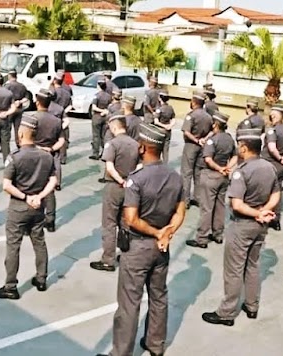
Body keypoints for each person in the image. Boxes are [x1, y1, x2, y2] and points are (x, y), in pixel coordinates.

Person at [97, 123, 186, 356]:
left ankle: (121, 352)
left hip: (138, 246)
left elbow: (131, 218)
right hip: (162, 247)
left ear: (144, 148)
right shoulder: (174, 176)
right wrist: (168, 232)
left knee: (129, 302)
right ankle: (156, 345)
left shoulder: (137, 179)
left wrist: (158, 233)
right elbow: (180, 211)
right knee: (159, 296)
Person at [201, 128, 280, 327]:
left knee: (234, 270)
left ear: (244, 148)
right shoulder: (269, 167)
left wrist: (256, 213)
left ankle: (226, 312)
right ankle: (252, 305)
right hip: (260, 226)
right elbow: (276, 195)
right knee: (253, 265)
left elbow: (237, 204)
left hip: (243, 224)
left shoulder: (242, 172)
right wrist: (264, 211)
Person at [0, 115, 58, 300]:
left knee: (13, 246)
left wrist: (26, 197)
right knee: (39, 242)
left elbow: (6, 185)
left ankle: (10, 285)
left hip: (19, 206)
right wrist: (40, 196)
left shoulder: (15, 157)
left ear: (20, 133)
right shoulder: (46, 156)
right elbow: (53, 180)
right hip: (38, 207)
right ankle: (41, 278)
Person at [90, 114, 139, 272]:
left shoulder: (112, 144)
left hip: (115, 186)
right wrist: (129, 181)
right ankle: (127, 254)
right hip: (131, 187)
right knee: (126, 222)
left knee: (109, 223)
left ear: (114, 127)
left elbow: (110, 167)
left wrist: (120, 181)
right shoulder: (135, 144)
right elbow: (140, 166)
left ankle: (108, 260)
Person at [186, 112, 237, 248]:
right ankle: (218, 234)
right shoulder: (229, 138)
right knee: (220, 206)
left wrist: (219, 168)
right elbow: (235, 156)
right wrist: (226, 167)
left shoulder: (212, 140)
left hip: (211, 175)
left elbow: (208, 159)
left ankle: (201, 238)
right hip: (223, 177)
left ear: (215, 124)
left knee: (206, 208)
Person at [33, 89, 66, 232]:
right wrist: (51, 149)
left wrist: (37, 147)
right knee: (49, 188)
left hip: (34, 155)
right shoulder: (56, 121)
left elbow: (23, 139)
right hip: (49, 155)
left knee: (32, 185)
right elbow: (62, 140)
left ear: (38, 102)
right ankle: (50, 220)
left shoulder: (32, 118)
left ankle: (34, 218)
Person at [260, 103, 283, 231]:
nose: (271, 116)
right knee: (277, 192)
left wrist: (279, 157)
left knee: (264, 193)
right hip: (281, 167)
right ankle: (276, 220)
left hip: (269, 164)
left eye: (274, 114)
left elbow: (272, 148)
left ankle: (264, 216)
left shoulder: (272, 130)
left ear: (280, 115)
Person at [181, 91, 213, 208]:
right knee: (198, 173)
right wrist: (204, 139)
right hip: (202, 147)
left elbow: (186, 131)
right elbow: (212, 131)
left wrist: (196, 140)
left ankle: (186, 200)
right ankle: (198, 198)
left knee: (186, 172)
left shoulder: (191, 115)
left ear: (194, 102)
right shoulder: (208, 117)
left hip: (191, 145)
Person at [51, 72, 73, 165]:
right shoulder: (67, 92)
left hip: (53, 116)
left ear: (55, 80)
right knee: (63, 137)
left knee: (52, 137)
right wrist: (64, 111)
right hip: (63, 116)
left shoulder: (52, 92)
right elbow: (71, 105)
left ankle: (53, 155)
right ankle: (63, 158)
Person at [4, 70, 29, 148]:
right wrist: (19, 101)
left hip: (10, 109)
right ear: (16, 76)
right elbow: (27, 98)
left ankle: (5, 145)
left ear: (9, 76)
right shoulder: (22, 86)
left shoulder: (6, 86)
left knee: (7, 128)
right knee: (17, 128)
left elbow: (4, 98)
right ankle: (19, 144)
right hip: (19, 109)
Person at [90, 78, 112, 160]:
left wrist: (101, 110)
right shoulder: (109, 96)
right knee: (104, 136)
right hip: (105, 117)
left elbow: (94, 107)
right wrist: (105, 111)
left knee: (96, 136)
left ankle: (95, 153)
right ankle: (104, 153)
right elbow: (110, 107)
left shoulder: (97, 95)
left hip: (97, 117)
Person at [154, 89, 175, 163]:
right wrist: (169, 126)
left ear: (160, 98)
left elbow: (156, 122)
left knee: (157, 149)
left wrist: (163, 126)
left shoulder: (159, 109)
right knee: (166, 150)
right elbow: (173, 119)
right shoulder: (170, 108)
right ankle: (166, 165)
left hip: (160, 131)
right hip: (168, 131)